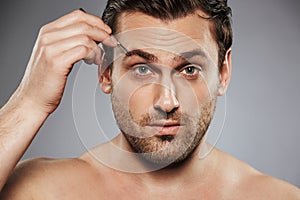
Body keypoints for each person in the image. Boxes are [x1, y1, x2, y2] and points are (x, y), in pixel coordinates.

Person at [0, 0, 299, 198]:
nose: (167, 102)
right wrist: (29, 102)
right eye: (142, 69)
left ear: (223, 72)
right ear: (106, 74)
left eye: (189, 69)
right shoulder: (44, 192)